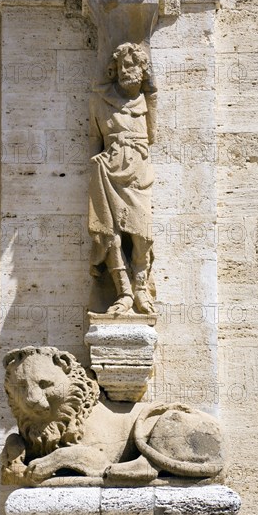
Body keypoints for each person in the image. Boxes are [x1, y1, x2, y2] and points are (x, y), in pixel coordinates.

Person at [88, 42, 157, 314]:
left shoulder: (148, 101)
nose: (128, 70)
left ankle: (141, 288)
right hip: (107, 170)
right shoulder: (100, 100)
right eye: (123, 66)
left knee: (143, 235)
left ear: (143, 70)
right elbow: (94, 141)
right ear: (113, 69)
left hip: (139, 173)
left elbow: (152, 136)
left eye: (134, 65)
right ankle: (124, 291)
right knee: (109, 232)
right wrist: (96, 160)